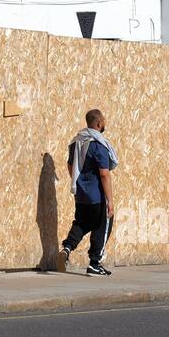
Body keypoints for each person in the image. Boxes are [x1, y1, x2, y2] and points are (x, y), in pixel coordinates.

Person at [59, 109, 118, 276]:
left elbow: (70, 166)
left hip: (81, 195)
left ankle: (67, 248)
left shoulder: (76, 143)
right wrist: (110, 201)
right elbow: (104, 174)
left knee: (82, 223)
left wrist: (78, 184)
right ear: (99, 124)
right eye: (104, 121)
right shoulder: (99, 145)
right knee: (103, 224)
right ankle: (94, 263)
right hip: (97, 196)